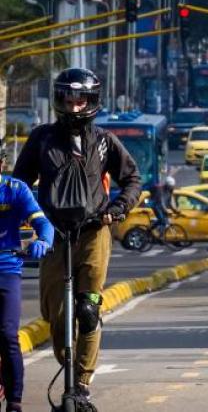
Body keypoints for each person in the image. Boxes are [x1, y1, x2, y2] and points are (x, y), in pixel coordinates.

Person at [13, 68, 141, 405]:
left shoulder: (104, 142)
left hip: (93, 232)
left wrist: (119, 208)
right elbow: (19, 184)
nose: (73, 107)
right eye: (67, 100)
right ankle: (64, 361)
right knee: (55, 314)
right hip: (53, 234)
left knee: (87, 309)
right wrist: (24, 219)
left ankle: (82, 381)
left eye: (80, 99)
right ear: (58, 100)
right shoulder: (41, 139)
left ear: (92, 100)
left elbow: (132, 179)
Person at [0, 141, 54, 412]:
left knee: (9, 335)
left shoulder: (15, 190)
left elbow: (42, 221)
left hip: (6, 268)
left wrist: (43, 240)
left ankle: (15, 400)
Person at [149, 176, 179, 240]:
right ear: (167, 185)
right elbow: (161, 201)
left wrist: (175, 210)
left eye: (172, 186)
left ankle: (158, 234)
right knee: (162, 221)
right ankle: (154, 233)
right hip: (156, 206)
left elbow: (170, 202)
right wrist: (165, 210)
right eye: (171, 186)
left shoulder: (170, 191)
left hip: (161, 207)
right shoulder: (161, 190)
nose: (172, 187)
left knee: (164, 221)